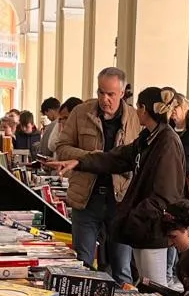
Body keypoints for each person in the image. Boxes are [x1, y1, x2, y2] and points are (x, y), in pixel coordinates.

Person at [46, 87, 187, 285]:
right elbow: (118, 157)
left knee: (155, 290)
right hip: (143, 226)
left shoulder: (167, 142)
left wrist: (133, 216)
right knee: (146, 288)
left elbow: (166, 194)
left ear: (144, 109)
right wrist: (80, 162)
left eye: (138, 107)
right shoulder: (149, 138)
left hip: (152, 228)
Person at [55, 70, 142, 282]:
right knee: (81, 264)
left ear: (122, 92)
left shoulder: (134, 117)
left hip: (120, 200)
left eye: (111, 94)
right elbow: (62, 148)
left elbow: (139, 157)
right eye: (101, 92)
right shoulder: (80, 112)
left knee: (122, 267)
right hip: (86, 198)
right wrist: (94, 158)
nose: (105, 99)